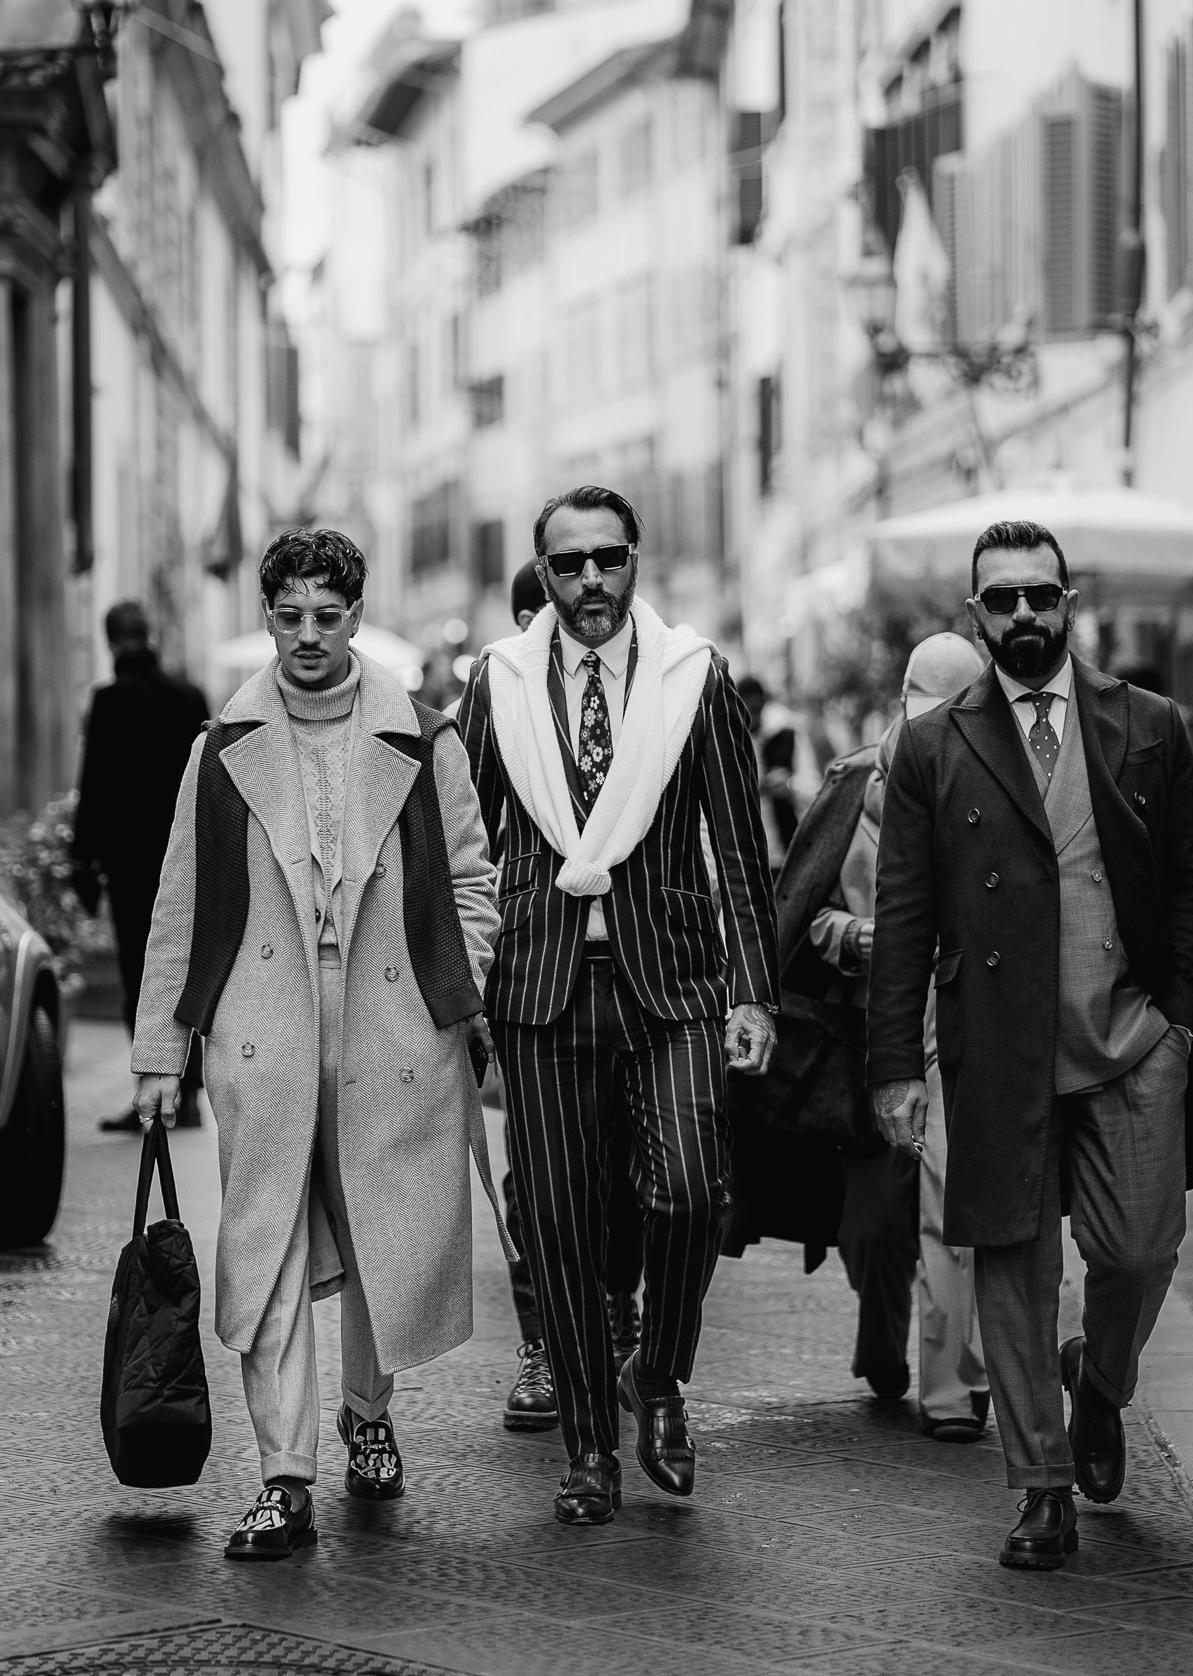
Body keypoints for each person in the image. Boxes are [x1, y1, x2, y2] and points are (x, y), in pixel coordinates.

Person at [867, 519, 1193, 1571]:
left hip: (1130, 1045)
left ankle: (1101, 1384)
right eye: (1000, 600)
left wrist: (1179, 1026)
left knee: (1137, 1250)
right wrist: (897, 1068)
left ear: (1068, 601)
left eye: (1040, 595)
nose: (1023, 616)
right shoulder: (929, 744)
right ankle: (1040, 1485)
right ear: (973, 615)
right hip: (997, 1051)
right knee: (1011, 1273)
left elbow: (1191, 882)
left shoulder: (1149, 724)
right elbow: (902, 917)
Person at [129, 528, 510, 1560]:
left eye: (327, 616)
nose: (307, 635)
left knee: (378, 1233)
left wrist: (453, 979)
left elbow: (475, 880)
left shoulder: (423, 737)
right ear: (265, 613)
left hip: (393, 1027)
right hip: (264, 1028)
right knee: (272, 1249)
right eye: (288, 615)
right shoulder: (218, 747)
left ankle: (367, 1413)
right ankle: (283, 1477)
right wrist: (161, 1056)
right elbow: (179, 906)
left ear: (353, 612)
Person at [459, 484, 779, 1526]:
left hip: (672, 978)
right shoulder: (497, 683)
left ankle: (661, 1376)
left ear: (636, 560)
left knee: (689, 1189)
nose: (590, 581)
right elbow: (467, 851)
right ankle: (590, 1448)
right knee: (555, 1224)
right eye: (567, 565)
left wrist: (755, 994)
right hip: (541, 986)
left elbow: (738, 844)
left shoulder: (695, 679)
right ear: (541, 577)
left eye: (607, 559)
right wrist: (457, 992)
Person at [726, 633, 988, 1439]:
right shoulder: (851, 784)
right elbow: (800, 915)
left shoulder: (995, 780)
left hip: (964, 1028)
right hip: (863, 1038)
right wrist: (858, 937)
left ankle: (955, 1387)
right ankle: (885, 1350)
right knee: (874, 1224)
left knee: (958, 1214)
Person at [493, 559, 646, 1432]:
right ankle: (545, 1344)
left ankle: (621, 1298)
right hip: (539, 969)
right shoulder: (503, 691)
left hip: (635, 970)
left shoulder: (648, 685)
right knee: (536, 1181)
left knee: (627, 1172)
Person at [71, 601, 209, 1131]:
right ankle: (190, 1092)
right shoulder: (187, 694)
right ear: (149, 636)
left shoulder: (110, 699)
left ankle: (152, 1091)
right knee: (190, 969)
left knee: (142, 972)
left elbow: (95, 784)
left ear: (111, 643)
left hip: (130, 863)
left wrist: (82, 859)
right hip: (187, 857)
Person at [738, 675, 817, 873]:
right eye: (745, 710)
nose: (751, 717)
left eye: (755, 710)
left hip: (788, 853)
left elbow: (816, 789)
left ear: (764, 704)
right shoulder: (731, 743)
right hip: (747, 859)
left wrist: (789, 786)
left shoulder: (787, 736)